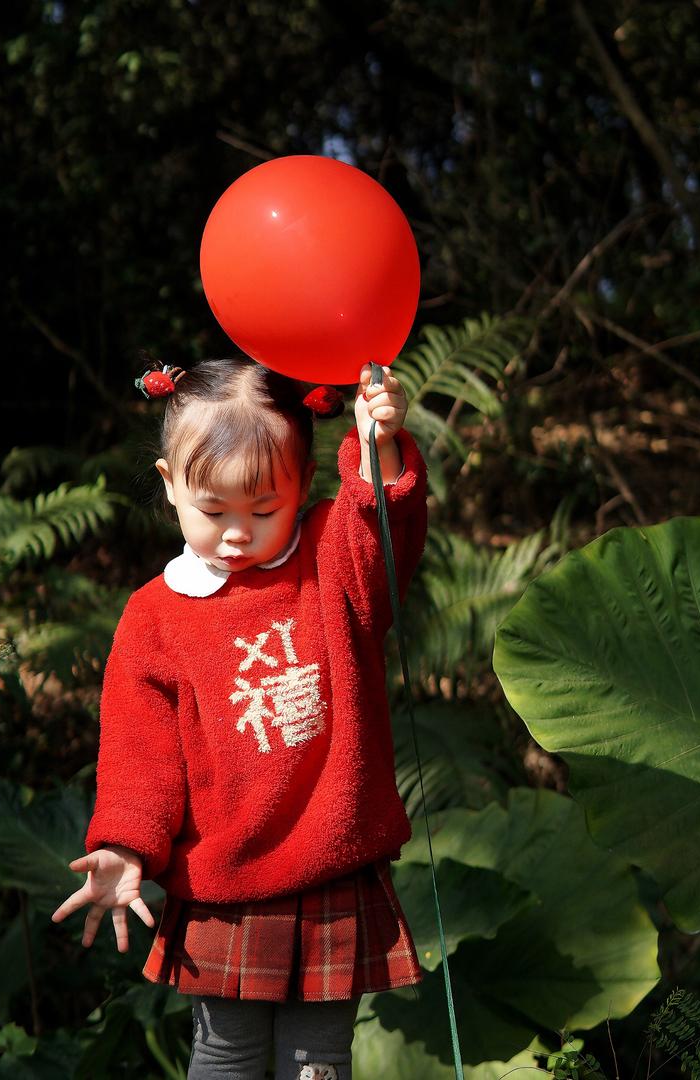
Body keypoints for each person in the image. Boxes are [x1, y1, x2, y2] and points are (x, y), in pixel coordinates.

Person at [52, 356, 428, 1080]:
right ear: (169, 486)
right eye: (212, 510)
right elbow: (140, 756)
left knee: (318, 1062)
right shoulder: (154, 616)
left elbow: (382, 536)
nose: (235, 533)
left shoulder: (329, 556)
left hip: (329, 869)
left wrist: (378, 448)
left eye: (262, 510)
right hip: (221, 883)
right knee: (224, 1054)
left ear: (303, 485)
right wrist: (125, 848)